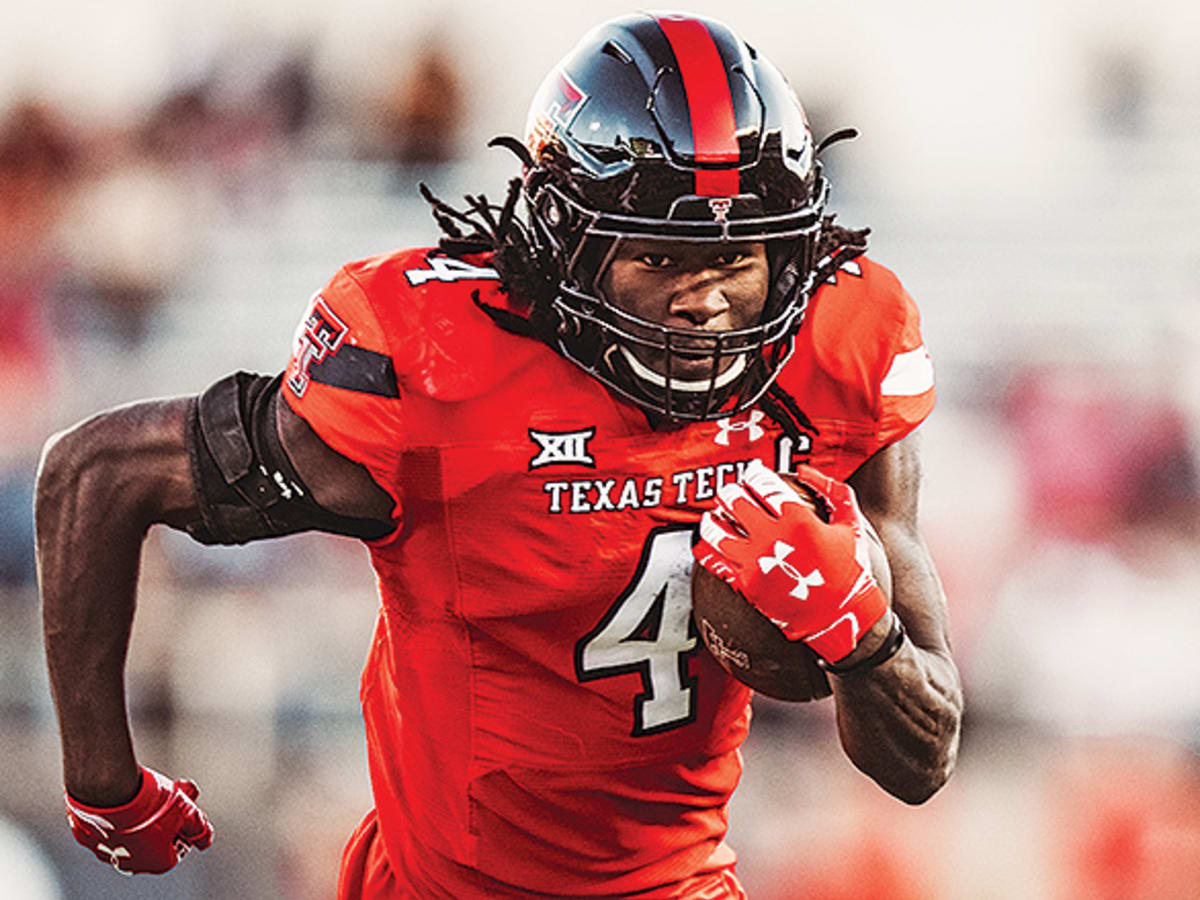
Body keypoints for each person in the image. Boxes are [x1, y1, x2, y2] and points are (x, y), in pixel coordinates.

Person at [36, 12, 963, 899]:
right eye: (658, 259)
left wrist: (865, 640)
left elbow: (924, 763)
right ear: (565, 247)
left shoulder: (841, 350)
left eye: (734, 262)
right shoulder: (441, 364)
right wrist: (102, 780)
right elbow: (96, 472)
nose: (703, 303)